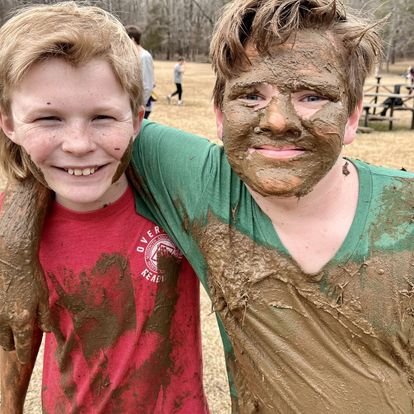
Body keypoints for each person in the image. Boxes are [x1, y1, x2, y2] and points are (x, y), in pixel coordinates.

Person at [1, 0, 414, 412]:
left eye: (311, 96)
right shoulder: (196, 181)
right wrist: (14, 248)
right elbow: (57, 142)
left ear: (353, 115)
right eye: (251, 95)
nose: (277, 121)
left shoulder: (403, 215)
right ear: (219, 114)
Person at [0, 3, 209, 413]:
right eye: (48, 119)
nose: (78, 144)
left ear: (137, 118)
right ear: (9, 123)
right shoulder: (9, 224)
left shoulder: (173, 192)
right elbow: (13, 340)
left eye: (102, 117)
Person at [125, 24, 156, 118]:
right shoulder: (132, 56)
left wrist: (139, 106)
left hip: (140, 107)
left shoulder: (144, 57)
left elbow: (147, 86)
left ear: (132, 39)